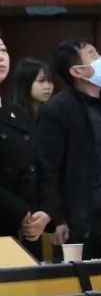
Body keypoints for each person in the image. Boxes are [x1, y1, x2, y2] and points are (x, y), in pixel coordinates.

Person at [36, 37, 101, 259]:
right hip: (79, 220)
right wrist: (57, 218)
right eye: (93, 55)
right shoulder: (58, 109)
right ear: (77, 71)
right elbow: (48, 169)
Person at [0, 41, 49, 259]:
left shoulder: (16, 112)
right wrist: (21, 213)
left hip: (28, 230)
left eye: (3, 50)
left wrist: (45, 212)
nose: (1, 57)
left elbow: (40, 166)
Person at [10, 57, 53, 121]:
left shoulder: (53, 114)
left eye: (49, 80)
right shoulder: (12, 115)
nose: (48, 86)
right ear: (26, 82)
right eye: (41, 81)